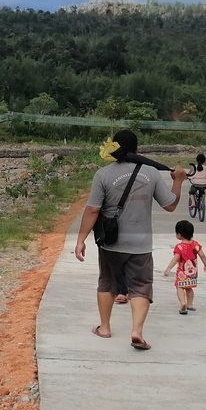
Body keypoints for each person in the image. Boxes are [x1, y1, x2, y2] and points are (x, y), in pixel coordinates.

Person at [75, 128, 187, 350]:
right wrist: (179, 180)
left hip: (111, 243)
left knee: (107, 282)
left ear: (114, 149)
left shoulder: (103, 174)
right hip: (141, 245)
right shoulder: (152, 173)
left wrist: (81, 240)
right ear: (138, 149)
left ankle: (105, 328)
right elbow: (170, 205)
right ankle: (136, 331)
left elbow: (92, 210)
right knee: (141, 287)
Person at [163, 219, 206, 314]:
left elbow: (176, 258)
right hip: (193, 272)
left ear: (179, 235)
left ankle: (183, 302)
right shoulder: (195, 244)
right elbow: (202, 255)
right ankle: (190, 305)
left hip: (182, 273)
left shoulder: (179, 247)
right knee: (189, 288)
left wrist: (168, 268)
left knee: (179, 287)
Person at [187, 153, 206, 217]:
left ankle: (193, 203)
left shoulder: (193, 167)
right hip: (204, 185)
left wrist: (187, 177)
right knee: (202, 191)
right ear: (204, 160)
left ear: (197, 160)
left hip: (195, 184)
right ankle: (202, 200)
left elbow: (188, 174)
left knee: (191, 192)